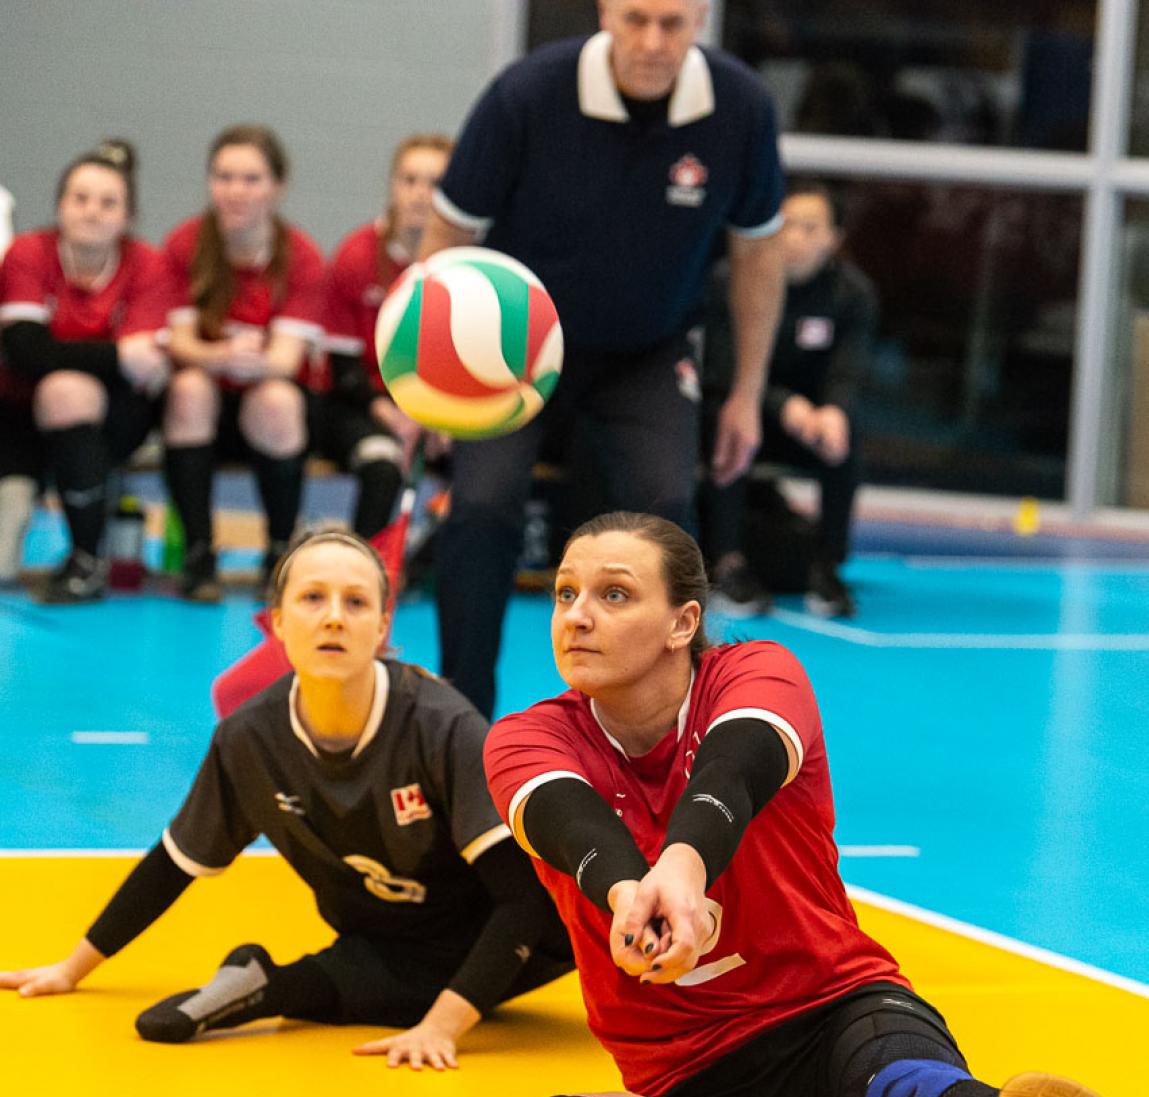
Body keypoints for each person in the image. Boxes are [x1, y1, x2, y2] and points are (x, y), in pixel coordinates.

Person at [484, 512, 1149, 1097]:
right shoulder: (526, 737)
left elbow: (737, 767)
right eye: (566, 593)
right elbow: (570, 823)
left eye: (614, 594)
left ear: (685, 623)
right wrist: (631, 892)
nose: (577, 615)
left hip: (839, 1019)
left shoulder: (756, 675)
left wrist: (683, 868)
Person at [0, 529, 573, 1068]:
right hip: (385, 937)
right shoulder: (250, 737)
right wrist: (73, 967)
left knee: (431, 971)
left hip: (511, 931)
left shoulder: (442, 725)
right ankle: (264, 985)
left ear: (381, 628)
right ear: (276, 622)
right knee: (380, 980)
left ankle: (265, 986)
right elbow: (174, 862)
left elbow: (524, 901)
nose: (332, 618)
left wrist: (443, 1025)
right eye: (312, 598)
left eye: (355, 603)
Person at [419, 0, 786, 717]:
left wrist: (746, 392)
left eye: (674, 24)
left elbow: (759, 252)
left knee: (667, 512)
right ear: (604, 14)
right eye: (636, 19)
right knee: (483, 507)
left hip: (648, 350)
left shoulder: (741, 106)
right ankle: (464, 720)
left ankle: (663, 724)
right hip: (516, 345)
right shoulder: (526, 92)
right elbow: (449, 228)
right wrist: (439, 379)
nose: (653, 41)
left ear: (701, 22)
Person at [160, 124, 324, 601]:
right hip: (202, 410)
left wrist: (226, 357)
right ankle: (198, 554)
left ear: (278, 186)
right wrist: (227, 355)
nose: (235, 190)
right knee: (188, 388)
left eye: (250, 179)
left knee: (276, 398)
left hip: (269, 411)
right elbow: (180, 344)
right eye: (223, 176)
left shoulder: (302, 257)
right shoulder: (185, 245)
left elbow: (284, 360)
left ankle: (278, 554)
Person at [0, 140, 168, 601]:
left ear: (128, 217)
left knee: (65, 390)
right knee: (2, 568)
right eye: (80, 199)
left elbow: (144, 371)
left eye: (108, 202)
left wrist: (63, 358)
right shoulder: (29, 254)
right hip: (19, 423)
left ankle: (86, 559)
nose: (92, 212)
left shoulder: (147, 265)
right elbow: (22, 350)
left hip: (115, 418)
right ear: (59, 205)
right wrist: (114, 356)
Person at [702, 180, 877, 618]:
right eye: (787, 224)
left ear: (834, 239)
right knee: (729, 431)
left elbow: (848, 370)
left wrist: (833, 412)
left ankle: (827, 565)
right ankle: (727, 564)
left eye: (810, 227)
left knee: (846, 440)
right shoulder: (732, 282)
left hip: (809, 424)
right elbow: (721, 370)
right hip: (740, 409)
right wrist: (785, 407)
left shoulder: (853, 295)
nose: (795, 236)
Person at [323, 135, 453, 539]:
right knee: (382, 464)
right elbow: (342, 369)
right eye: (408, 180)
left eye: (433, 183)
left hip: (439, 409)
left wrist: (439, 414)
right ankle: (363, 574)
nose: (419, 194)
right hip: (362, 405)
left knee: (480, 469)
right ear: (393, 186)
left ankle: (421, 564)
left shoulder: (466, 264)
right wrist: (396, 417)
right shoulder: (357, 254)